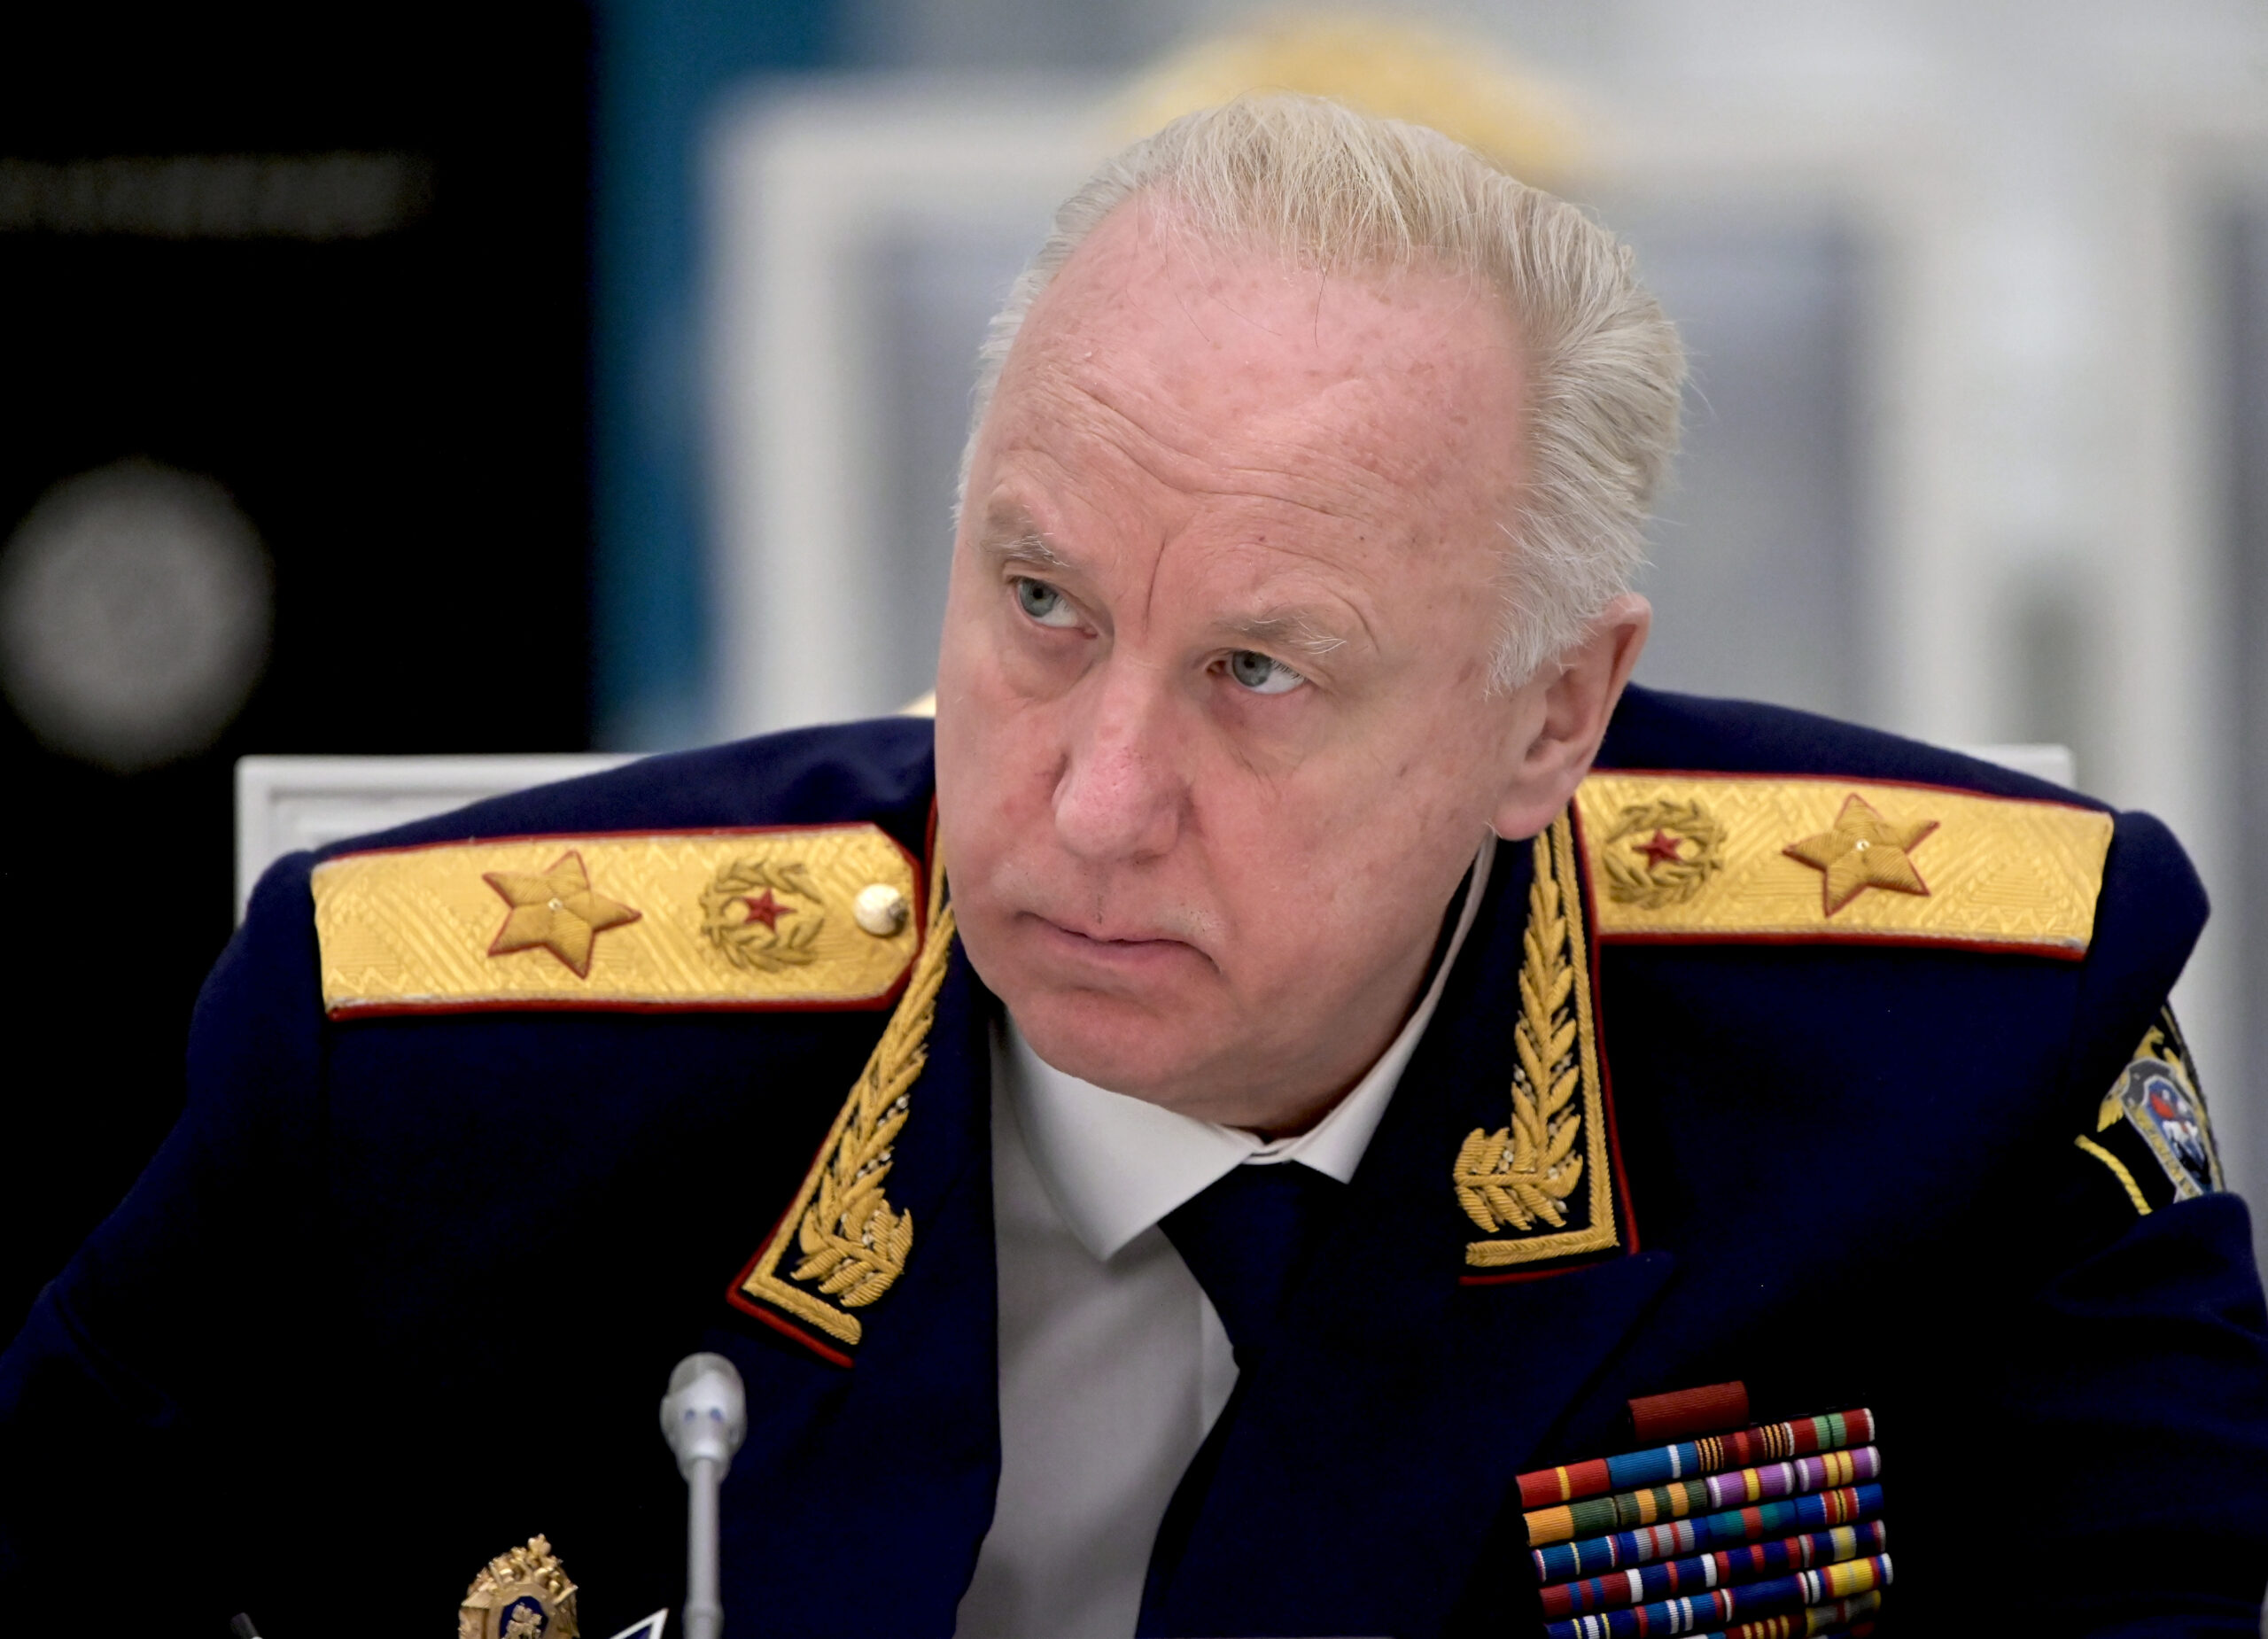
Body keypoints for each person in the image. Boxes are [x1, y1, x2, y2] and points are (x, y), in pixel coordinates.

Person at [4, 95, 2264, 1638]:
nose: (1091, 800)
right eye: (1040, 605)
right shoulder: (441, 1072)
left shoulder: (1960, 1063)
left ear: (1549, 717)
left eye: (1258, 672)